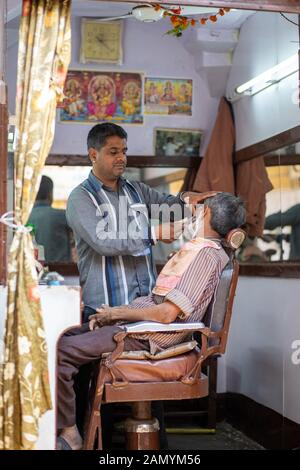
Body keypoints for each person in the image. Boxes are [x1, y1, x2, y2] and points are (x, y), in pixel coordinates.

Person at [56, 192, 246, 449]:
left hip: (151, 337)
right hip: (141, 329)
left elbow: (167, 314)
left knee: (62, 351)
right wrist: (109, 317)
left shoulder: (205, 257)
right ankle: (73, 429)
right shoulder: (199, 251)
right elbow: (158, 304)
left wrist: (116, 314)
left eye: (198, 211)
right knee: (66, 336)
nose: (193, 215)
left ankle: (70, 434)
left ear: (207, 215)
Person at [28, 175, 72, 263]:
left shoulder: (23, 218)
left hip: (32, 271)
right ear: (50, 194)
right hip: (61, 271)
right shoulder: (63, 216)